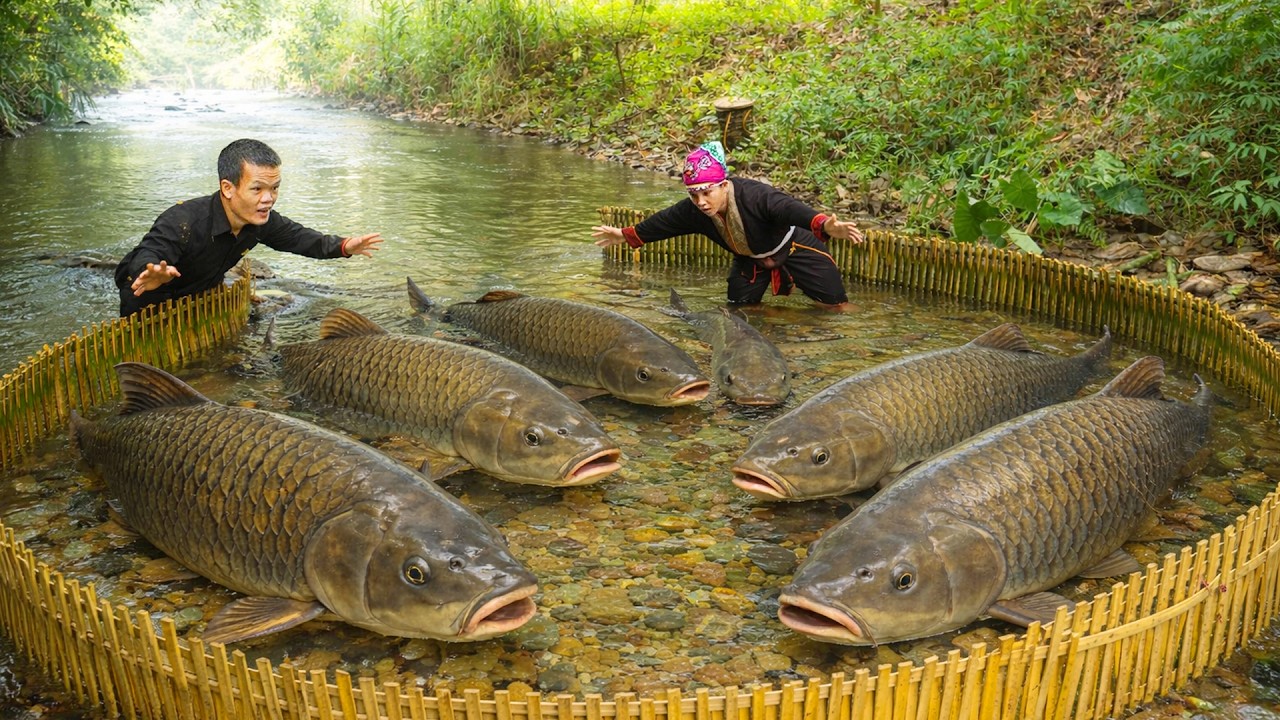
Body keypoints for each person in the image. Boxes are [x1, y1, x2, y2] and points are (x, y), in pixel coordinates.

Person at [114, 138, 383, 317]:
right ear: (227, 188)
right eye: (257, 189)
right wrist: (151, 274)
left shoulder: (259, 219)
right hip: (146, 307)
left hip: (197, 300)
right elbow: (149, 254)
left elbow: (300, 238)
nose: (268, 198)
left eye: (274, 188)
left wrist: (345, 246)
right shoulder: (184, 220)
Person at [591, 141, 864, 311]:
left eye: (707, 192)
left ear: (723, 185)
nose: (700, 202)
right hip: (750, 260)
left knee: (835, 305)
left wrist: (826, 226)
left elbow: (789, 208)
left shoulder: (757, 196)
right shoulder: (695, 210)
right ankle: (771, 322)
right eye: (693, 195)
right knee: (739, 310)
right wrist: (625, 235)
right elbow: (663, 223)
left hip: (795, 246)